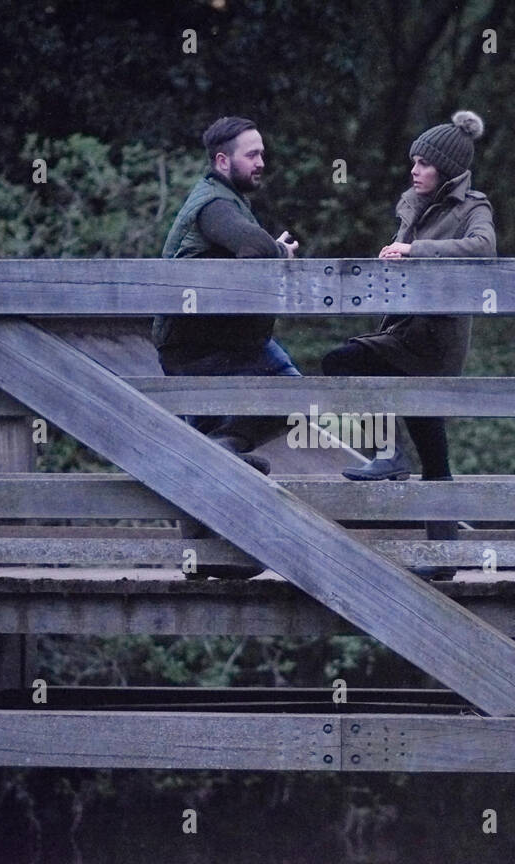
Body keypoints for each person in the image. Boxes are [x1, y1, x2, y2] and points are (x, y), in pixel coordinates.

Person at [320, 110, 495, 580]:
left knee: (346, 361)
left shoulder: (471, 206)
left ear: (446, 169)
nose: (414, 171)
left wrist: (416, 251)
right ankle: (445, 558)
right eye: (413, 162)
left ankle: (390, 457)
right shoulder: (413, 203)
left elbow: (483, 248)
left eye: (422, 163)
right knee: (432, 446)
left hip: (433, 339)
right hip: (404, 330)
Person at [157, 116, 300, 578]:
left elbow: (247, 247)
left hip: (235, 341)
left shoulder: (229, 200)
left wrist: (267, 248)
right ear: (223, 161)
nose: (262, 162)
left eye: (262, 153)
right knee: (276, 403)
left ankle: (223, 450)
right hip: (200, 348)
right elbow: (255, 250)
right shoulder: (213, 203)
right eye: (251, 155)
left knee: (287, 401)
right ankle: (206, 558)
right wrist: (277, 252)